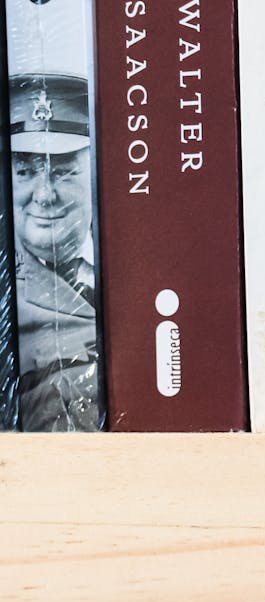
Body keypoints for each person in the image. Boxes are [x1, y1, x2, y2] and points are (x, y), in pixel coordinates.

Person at [9, 73, 102, 430]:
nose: (45, 194)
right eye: (25, 171)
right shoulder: (9, 289)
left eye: (63, 172)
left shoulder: (137, 251)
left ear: (93, 170)